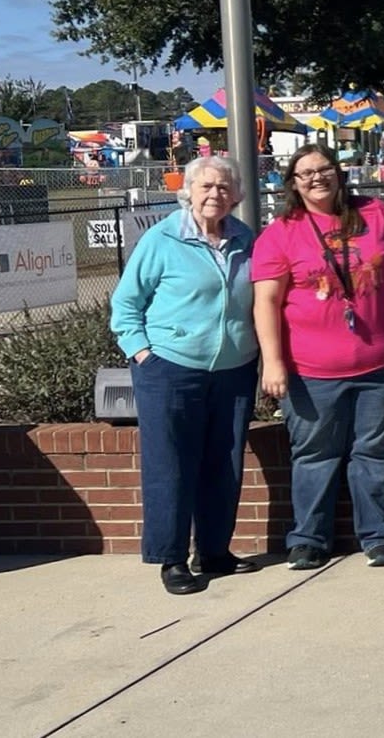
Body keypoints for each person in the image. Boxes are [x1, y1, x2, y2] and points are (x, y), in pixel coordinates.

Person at [253, 143, 384, 571]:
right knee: (315, 455)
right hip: (311, 372)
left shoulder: (379, 215)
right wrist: (273, 362)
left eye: (324, 168)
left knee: (375, 452)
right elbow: (266, 302)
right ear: (293, 183)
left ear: (339, 172)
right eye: (305, 172)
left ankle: (380, 536)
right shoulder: (282, 232)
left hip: (383, 364)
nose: (317, 178)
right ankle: (309, 540)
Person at [109, 156, 259, 595]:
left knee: (224, 464)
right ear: (189, 191)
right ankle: (171, 557)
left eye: (224, 188)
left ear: (237, 195)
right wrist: (142, 353)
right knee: (170, 466)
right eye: (207, 186)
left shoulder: (246, 239)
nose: (215, 194)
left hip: (233, 370)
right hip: (170, 369)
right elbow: (125, 304)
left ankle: (213, 550)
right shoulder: (162, 239)